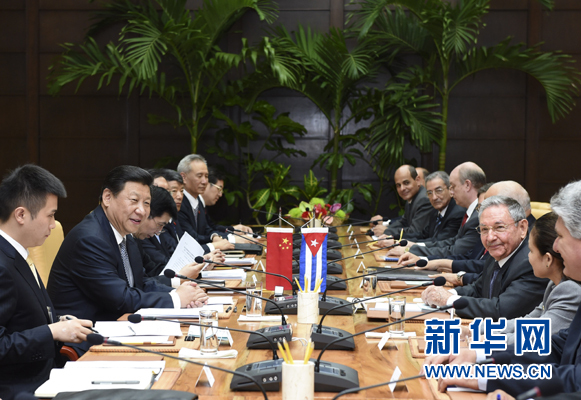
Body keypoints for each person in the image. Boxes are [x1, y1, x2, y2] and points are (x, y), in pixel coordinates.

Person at [427, 180, 581, 396]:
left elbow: (573, 377)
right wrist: (480, 356)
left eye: (561, 237)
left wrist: (484, 373)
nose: (555, 246)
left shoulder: (569, 288)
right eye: (484, 229)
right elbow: (552, 345)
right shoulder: (501, 258)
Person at [47, 166, 208, 355]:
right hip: (86, 341)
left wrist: (183, 293)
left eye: (146, 203)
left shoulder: (125, 235)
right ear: (108, 197)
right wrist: (175, 299)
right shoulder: (90, 239)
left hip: (119, 327)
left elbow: (141, 283)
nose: (141, 210)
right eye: (134, 200)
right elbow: (121, 299)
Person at [0, 165, 93, 400]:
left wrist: (59, 323)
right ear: (21, 215)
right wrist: (52, 331)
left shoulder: (17, 254)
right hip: (23, 389)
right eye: (50, 215)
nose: (53, 224)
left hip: (47, 376)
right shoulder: (2, 264)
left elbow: (20, 321)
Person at [461, 212, 581, 343]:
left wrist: (486, 339)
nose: (528, 256)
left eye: (531, 251)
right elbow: (527, 322)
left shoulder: (570, 290)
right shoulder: (554, 285)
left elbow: (534, 337)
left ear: (548, 259)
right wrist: (475, 330)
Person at [421, 195, 547, 319]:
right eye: (484, 229)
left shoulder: (531, 262)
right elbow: (477, 289)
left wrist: (448, 300)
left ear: (522, 228)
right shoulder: (499, 251)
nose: (490, 237)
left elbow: (501, 310)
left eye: (499, 227)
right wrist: (444, 293)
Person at [396, 161, 485, 258]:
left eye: (453, 187)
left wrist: (411, 249)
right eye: (429, 193)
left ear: (467, 185)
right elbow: (452, 241)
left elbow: (456, 251)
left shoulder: (476, 215)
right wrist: (412, 245)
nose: (451, 192)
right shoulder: (468, 213)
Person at [136, 186, 222, 279]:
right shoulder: (137, 237)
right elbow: (153, 273)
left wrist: (199, 266)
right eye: (159, 225)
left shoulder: (152, 232)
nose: (159, 232)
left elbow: (159, 268)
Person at [377, 171, 465, 248]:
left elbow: (439, 242)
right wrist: (395, 238)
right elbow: (422, 234)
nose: (434, 197)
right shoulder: (435, 211)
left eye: (439, 190)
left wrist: (401, 243)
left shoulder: (457, 213)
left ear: (450, 190)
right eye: (429, 193)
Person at [177, 154, 234, 252]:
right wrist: (215, 242)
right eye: (199, 176)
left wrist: (214, 236)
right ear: (184, 177)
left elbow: (206, 228)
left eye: (206, 176)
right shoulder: (179, 203)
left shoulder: (197, 200)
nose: (204, 181)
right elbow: (190, 238)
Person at [371, 165, 433, 238]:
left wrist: (387, 231)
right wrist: (384, 228)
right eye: (398, 185)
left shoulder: (424, 199)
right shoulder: (412, 197)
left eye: (406, 183)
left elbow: (416, 232)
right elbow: (404, 222)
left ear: (417, 180)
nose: (402, 188)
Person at [201, 170, 252, 234]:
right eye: (219, 189)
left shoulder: (203, 206)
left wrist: (233, 229)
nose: (220, 194)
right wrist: (230, 237)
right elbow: (202, 234)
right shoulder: (193, 205)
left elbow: (212, 228)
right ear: (206, 184)